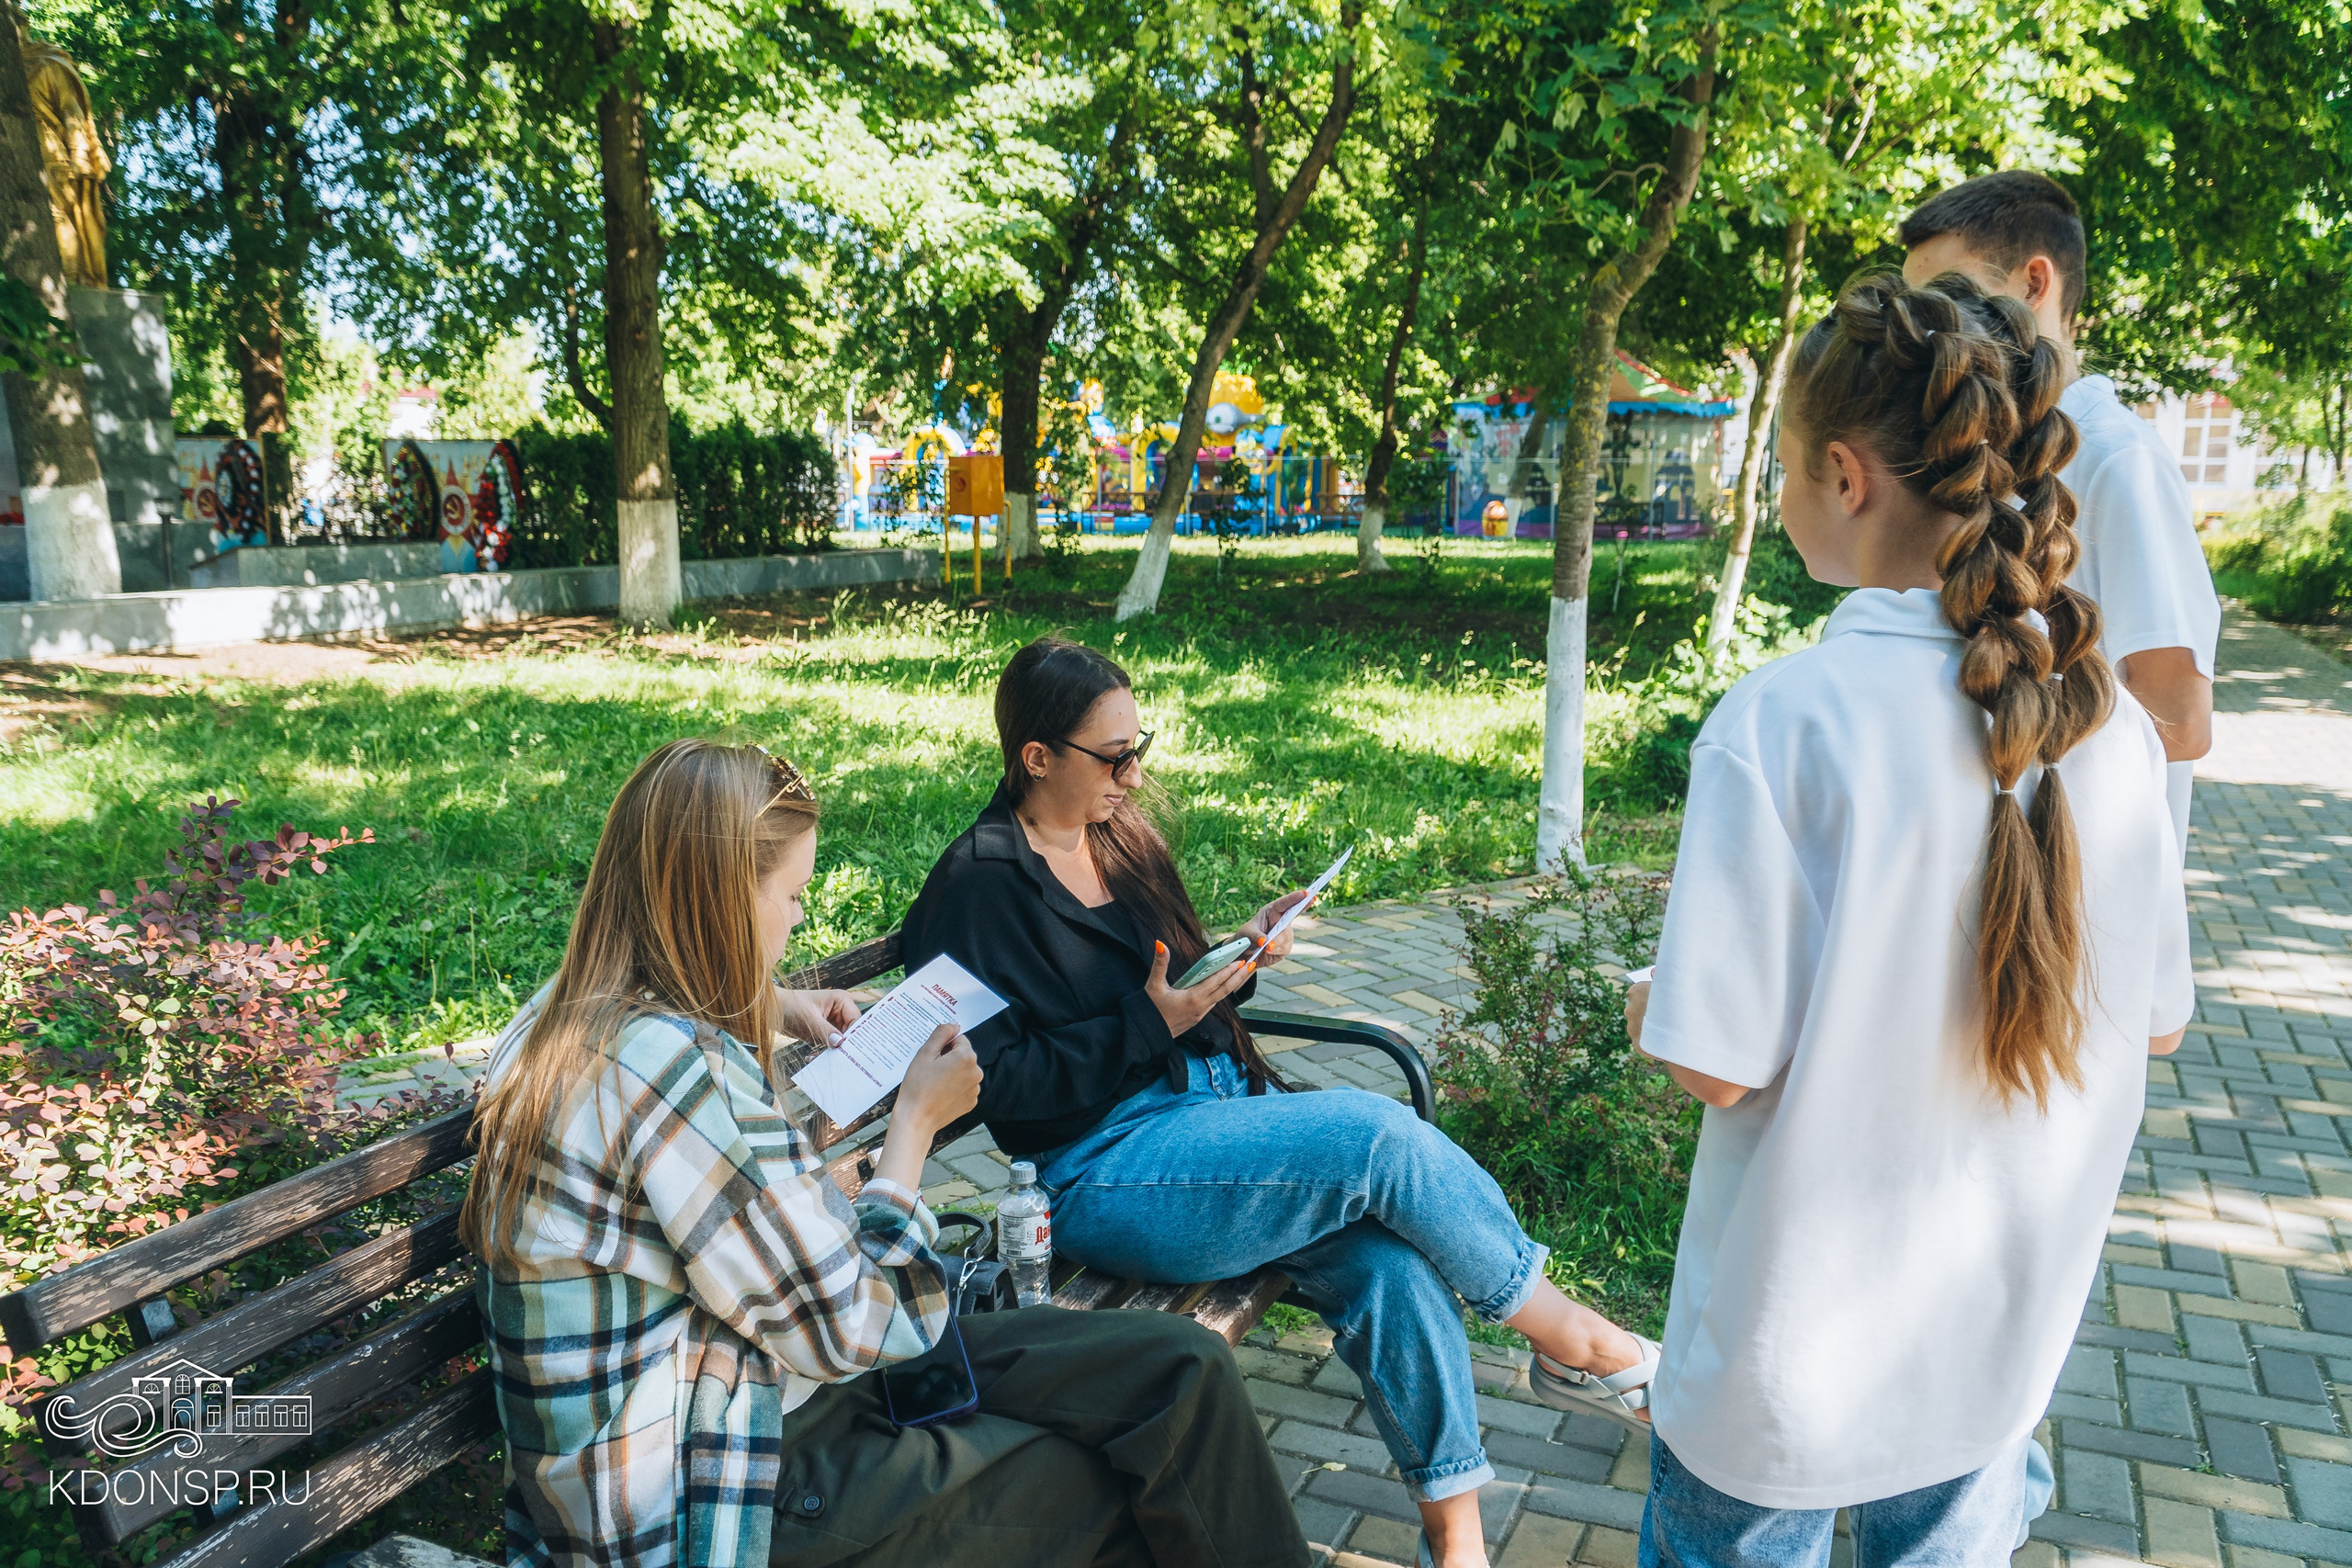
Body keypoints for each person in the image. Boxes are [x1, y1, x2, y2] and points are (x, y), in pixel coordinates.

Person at [1623, 271, 2193, 1567]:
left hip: (1783, 1369)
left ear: (1843, 475)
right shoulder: (2107, 730)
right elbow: (2151, 1026)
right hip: (1988, 1364)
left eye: (1776, 467)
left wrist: (1651, 996)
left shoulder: (1784, 721)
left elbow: (1716, 1057)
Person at [462, 738, 1310, 1568]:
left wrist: (778, 1002)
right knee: (1107, 1481)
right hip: (725, 1468)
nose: (797, 917)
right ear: (719, 901)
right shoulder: (675, 1077)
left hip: (776, 1373)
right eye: (790, 895)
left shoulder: (562, 1015)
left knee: (1179, 1367)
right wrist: (912, 1130)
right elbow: (857, 1325)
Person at [901, 637, 1657, 1568]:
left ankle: (1457, 1544)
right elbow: (998, 1088)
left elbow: (1167, 990)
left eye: (1142, 746)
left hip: (1205, 1121)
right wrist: (1153, 1023)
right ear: (1037, 757)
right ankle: (1579, 1342)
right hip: (1103, 1169)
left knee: (1389, 1260)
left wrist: (1234, 960)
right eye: (1115, 756)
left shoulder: (1117, 838)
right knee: (1376, 1137)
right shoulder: (975, 889)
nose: (1134, 777)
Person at [1902, 169, 2220, 855]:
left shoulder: (2119, 462)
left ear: (2033, 284)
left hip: (2086, 905)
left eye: (1945, 300)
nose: (1927, 338)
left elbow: (2182, 719)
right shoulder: (1980, 456)